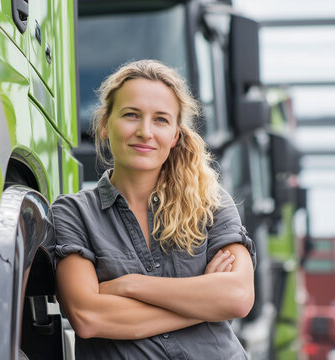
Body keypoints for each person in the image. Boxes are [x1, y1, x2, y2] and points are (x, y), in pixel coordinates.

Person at [51, 60, 256, 359]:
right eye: (131, 115)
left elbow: (237, 297)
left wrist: (131, 286)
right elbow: (88, 317)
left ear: (174, 135)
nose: (145, 132)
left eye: (161, 120)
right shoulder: (73, 214)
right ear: (105, 124)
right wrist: (205, 304)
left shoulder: (211, 203)